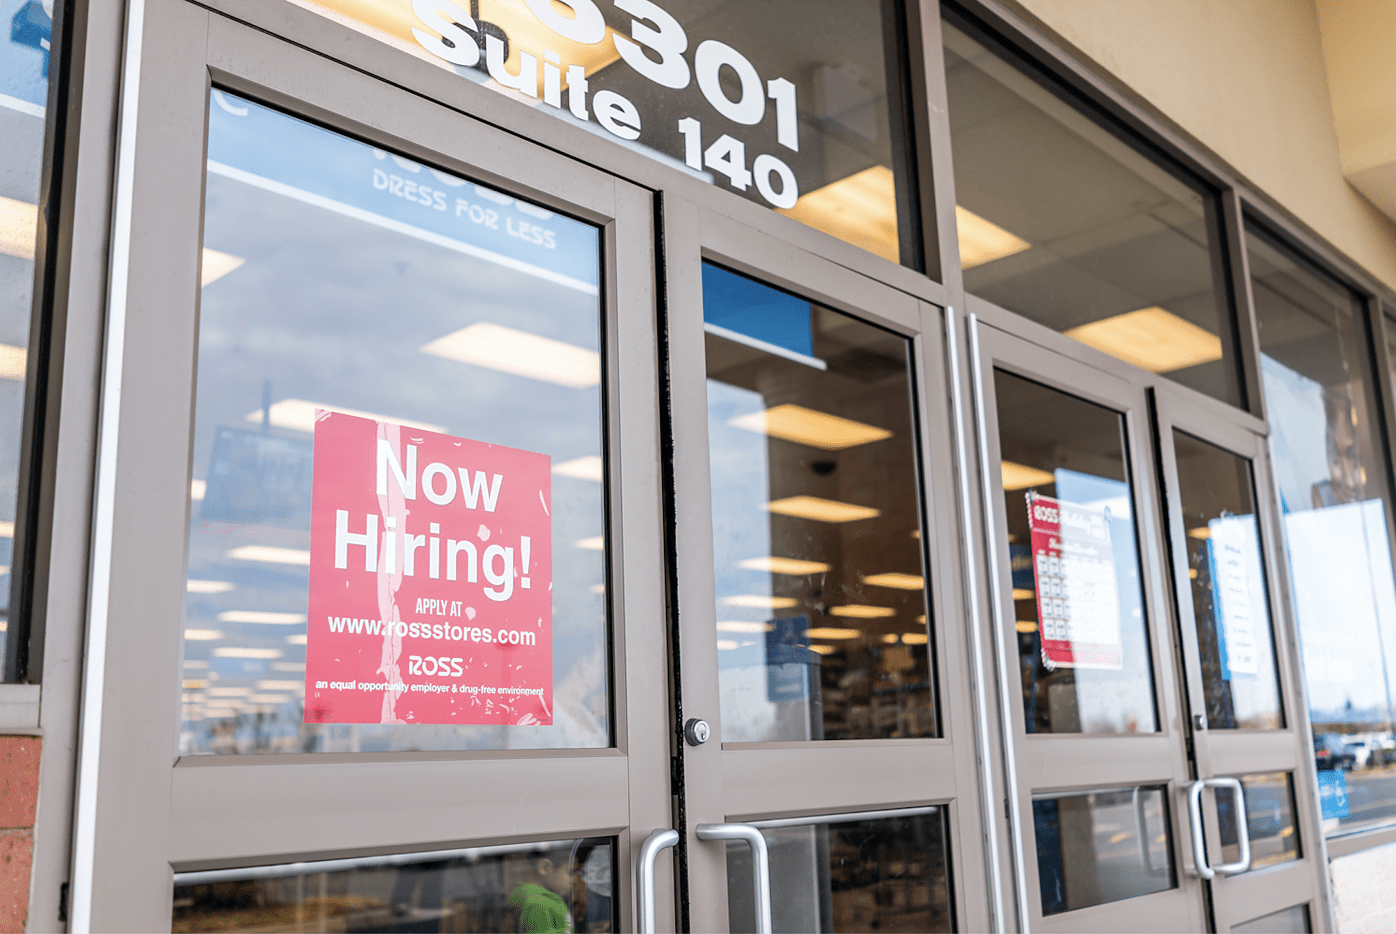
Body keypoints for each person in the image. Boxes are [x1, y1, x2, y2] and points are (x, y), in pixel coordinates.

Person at [508, 846, 575, 934]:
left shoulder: (545, 899)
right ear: (545, 867)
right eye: (569, 872)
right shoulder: (538, 904)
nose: (573, 880)